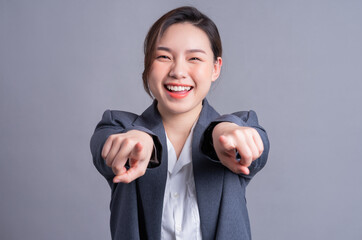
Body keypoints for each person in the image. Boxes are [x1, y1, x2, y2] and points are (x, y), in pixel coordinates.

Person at [90, 6, 269, 240]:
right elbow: (106, 150)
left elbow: (256, 147)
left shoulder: (239, 129)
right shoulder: (116, 126)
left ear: (215, 68)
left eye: (194, 58)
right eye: (164, 57)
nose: (178, 71)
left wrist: (222, 131)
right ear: (147, 65)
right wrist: (141, 142)